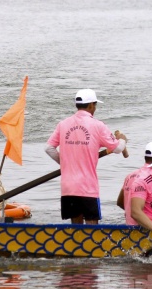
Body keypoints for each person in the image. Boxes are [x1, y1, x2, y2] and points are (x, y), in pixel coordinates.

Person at [45, 89, 128, 224]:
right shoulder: (97, 125)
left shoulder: (63, 124)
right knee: (92, 226)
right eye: (95, 105)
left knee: (76, 227)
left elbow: (48, 148)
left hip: (68, 187)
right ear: (90, 105)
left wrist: (65, 163)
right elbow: (118, 149)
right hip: (87, 187)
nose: (95, 108)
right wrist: (123, 140)